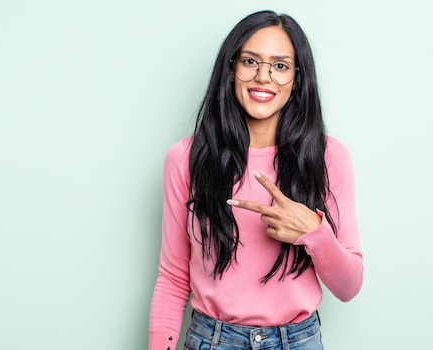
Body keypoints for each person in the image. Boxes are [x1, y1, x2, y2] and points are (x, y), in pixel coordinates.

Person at [149, 10, 363, 350]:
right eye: (250, 61)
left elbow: (349, 287)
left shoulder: (329, 157)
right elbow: (174, 278)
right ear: (232, 70)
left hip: (298, 340)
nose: (263, 76)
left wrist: (315, 231)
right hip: (212, 340)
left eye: (279, 66)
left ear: (296, 80)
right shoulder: (186, 158)